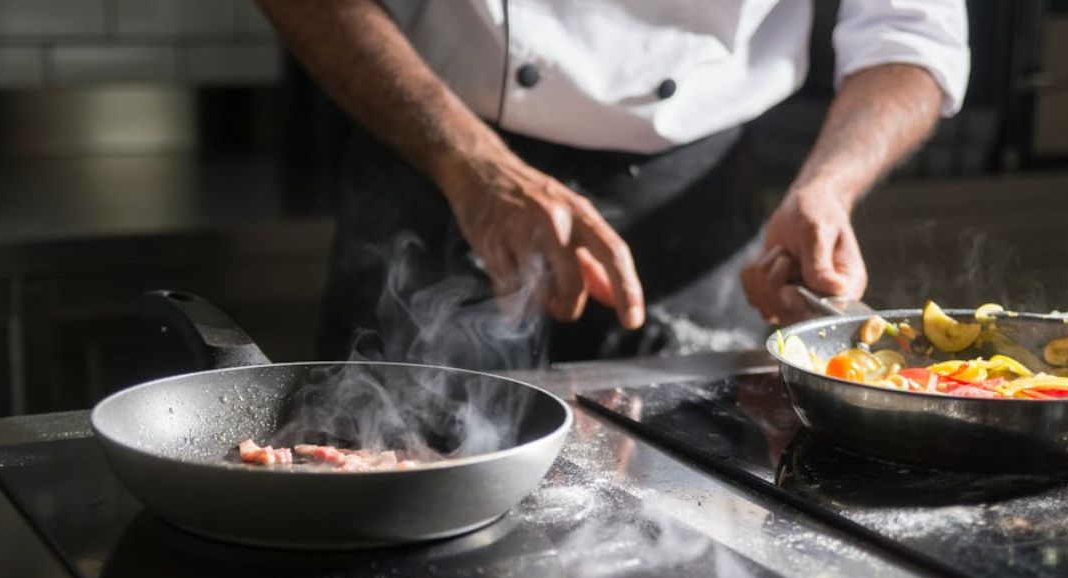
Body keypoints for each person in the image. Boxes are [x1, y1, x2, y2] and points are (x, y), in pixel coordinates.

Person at [255, 0, 969, 365]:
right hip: (439, 163)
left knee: (698, 526)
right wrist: (473, 165)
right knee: (384, 503)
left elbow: (912, 29)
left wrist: (830, 185)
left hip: (698, 213)